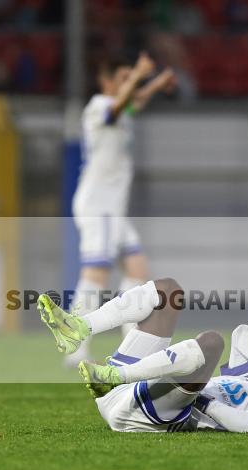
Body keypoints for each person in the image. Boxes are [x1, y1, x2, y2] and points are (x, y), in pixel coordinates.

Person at [36, 278, 248, 433]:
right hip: (134, 395)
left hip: (152, 415)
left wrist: (200, 398)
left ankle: (114, 377)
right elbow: (243, 334)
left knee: (211, 343)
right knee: (168, 292)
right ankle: (80, 328)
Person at [69, 52, 176, 365]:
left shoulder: (124, 106)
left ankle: (132, 347)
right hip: (98, 205)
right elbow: (119, 106)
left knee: (138, 272)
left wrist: (155, 83)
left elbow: (135, 99)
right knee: (96, 274)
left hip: (113, 210)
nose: (130, 82)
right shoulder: (99, 106)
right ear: (107, 81)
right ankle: (74, 345)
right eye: (124, 77)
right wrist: (140, 75)